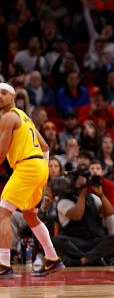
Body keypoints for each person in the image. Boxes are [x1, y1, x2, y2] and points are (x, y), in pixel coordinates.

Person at [0, 83, 64, 278]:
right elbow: (45, 147)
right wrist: (43, 174)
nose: (0, 97)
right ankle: (52, 258)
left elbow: (1, 154)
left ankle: (3, 263)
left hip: (27, 166)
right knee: (29, 215)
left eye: (4, 93)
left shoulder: (8, 117)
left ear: (12, 96)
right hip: (37, 167)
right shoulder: (24, 118)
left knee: (3, 213)